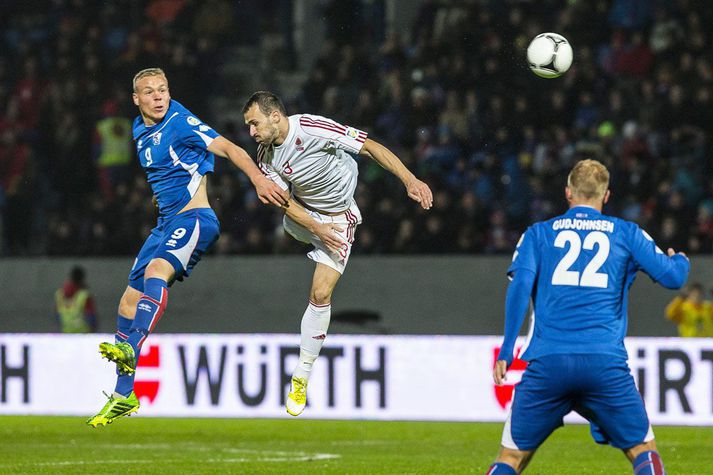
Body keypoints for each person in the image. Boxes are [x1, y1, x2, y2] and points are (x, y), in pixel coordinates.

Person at [86, 69, 288, 428]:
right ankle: (123, 394)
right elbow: (165, 176)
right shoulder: (139, 129)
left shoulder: (179, 120)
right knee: (127, 303)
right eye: (150, 92)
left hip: (194, 219)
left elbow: (227, 147)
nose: (159, 97)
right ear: (137, 99)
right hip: (165, 224)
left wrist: (258, 178)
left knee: (155, 273)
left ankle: (132, 347)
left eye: (163, 89)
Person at [486, 159, 690, 475]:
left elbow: (520, 286)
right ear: (606, 196)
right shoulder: (627, 233)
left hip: (549, 362)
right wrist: (682, 262)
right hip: (603, 363)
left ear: (568, 192)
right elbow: (672, 278)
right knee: (642, 450)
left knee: (511, 457)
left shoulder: (538, 234)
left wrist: (507, 349)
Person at [242, 91, 433, 416]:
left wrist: (409, 179)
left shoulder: (313, 128)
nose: (251, 132)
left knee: (320, 292)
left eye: (254, 123)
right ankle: (300, 237)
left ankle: (301, 376)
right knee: (286, 221)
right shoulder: (264, 157)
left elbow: (370, 147)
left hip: (339, 219)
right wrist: (315, 228)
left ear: (275, 116)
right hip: (305, 218)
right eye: (248, 126)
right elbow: (286, 203)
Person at [55, 266, 98, 333]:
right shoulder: (84, 295)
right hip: (83, 335)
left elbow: (58, 316)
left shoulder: (60, 294)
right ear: (82, 278)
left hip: (66, 334)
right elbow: (91, 318)